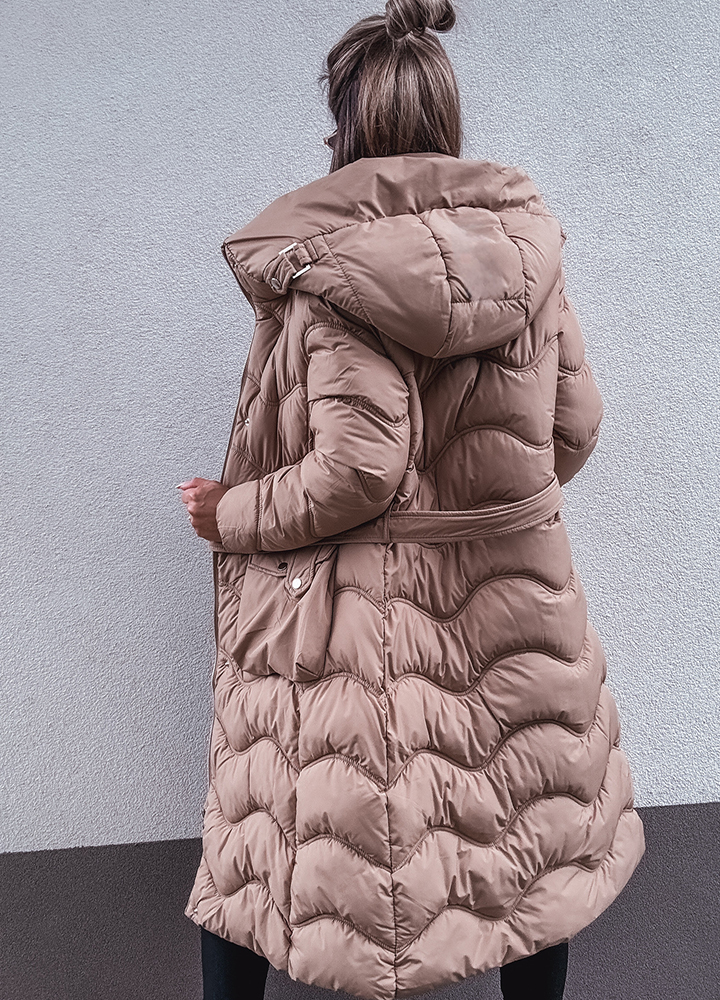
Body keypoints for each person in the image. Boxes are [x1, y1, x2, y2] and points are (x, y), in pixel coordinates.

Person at [177, 2, 646, 998]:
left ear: (349, 129)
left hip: (369, 623)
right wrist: (483, 511)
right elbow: (575, 429)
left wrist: (231, 512)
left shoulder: (334, 270)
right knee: (530, 845)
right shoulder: (527, 256)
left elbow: (358, 470)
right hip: (517, 600)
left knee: (254, 851)